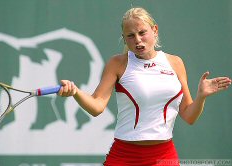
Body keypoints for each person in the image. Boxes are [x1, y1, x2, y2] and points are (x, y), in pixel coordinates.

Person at [58, 7, 231, 166]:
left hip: (164, 155)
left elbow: (189, 116)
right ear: (124, 38)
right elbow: (97, 106)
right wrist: (76, 92)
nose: (138, 40)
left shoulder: (175, 63)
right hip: (124, 155)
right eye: (130, 36)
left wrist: (201, 96)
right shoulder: (117, 63)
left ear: (154, 30)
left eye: (142, 33)